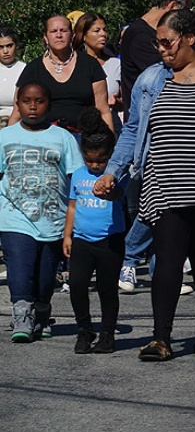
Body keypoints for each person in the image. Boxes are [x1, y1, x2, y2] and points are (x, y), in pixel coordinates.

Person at [95, 9, 195, 361]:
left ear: (190, 38)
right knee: (166, 257)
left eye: (167, 42)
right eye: (158, 43)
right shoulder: (153, 79)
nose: (162, 50)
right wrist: (113, 170)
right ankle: (160, 338)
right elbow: (134, 129)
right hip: (165, 181)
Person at [115, 0, 194, 295]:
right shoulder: (139, 35)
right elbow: (169, 70)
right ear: (173, 6)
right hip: (152, 129)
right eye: (185, 10)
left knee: (172, 205)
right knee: (158, 202)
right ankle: (130, 258)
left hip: (177, 125)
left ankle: (166, 270)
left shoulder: (150, 32)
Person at [0, 82, 83, 342]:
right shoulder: (5, 137)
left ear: (49, 105)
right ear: (18, 103)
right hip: (14, 217)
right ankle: (22, 315)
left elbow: (77, 179)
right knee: (19, 268)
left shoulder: (63, 138)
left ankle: (43, 311)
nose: (33, 106)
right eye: (26, 101)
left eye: (39, 101)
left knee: (46, 278)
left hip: (52, 220)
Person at [64, 107, 124, 354]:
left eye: (101, 160)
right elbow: (72, 207)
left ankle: (107, 334)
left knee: (107, 288)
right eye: (90, 159)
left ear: (110, 155)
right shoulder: (78, 175)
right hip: (82, 241)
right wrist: (67, 235)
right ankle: (84, 329)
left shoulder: (116, 175)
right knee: (77, 284)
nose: (95, 164)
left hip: (110, 241)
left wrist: (111, 190)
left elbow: (120, 195)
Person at [10, 15, 112, 133]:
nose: (59, 35)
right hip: (43, 137)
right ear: (46, 38)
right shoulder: (33, 69)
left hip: (83, 138)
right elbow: (17, 112)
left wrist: (109, 145)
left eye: (63, 30)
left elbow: (103, 111)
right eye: (53, 31)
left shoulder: (90, 65)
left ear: (72, 35)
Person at [73, 12, 123, 119]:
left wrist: (117, 103)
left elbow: (125, 101)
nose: (103, 34)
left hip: (110, 124)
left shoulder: (115, 64)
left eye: (105, 30)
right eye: (97, 31)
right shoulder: (74, 64)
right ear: (84, 36)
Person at [0, 27, 27, 122]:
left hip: (20, 120)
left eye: (9, 46)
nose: (5, 51)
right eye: (1, 47)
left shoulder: (25, 69)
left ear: (16, 46)